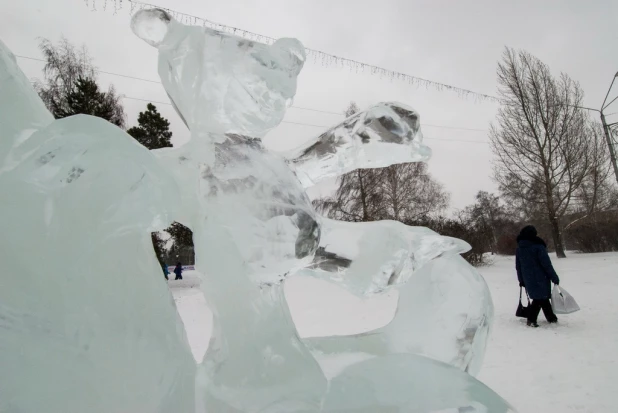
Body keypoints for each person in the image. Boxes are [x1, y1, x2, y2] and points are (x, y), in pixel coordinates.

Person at [516, 225, 559, 327]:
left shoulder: (519, 248)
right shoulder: (538, 246)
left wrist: (521, 279)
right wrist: (554, 277)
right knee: (539, 298)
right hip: (541, 277)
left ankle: (551, 317)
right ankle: (531, 319)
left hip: (528, 278)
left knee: (541, 297)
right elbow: (546, 264)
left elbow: (518, 266)